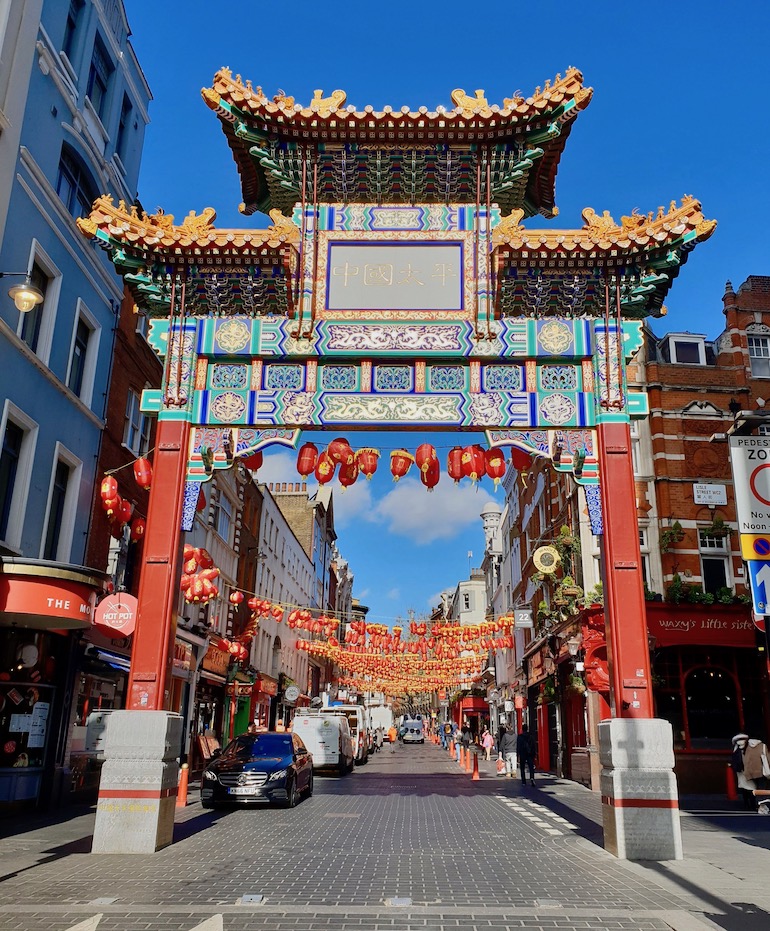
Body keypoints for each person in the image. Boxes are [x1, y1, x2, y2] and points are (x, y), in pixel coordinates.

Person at [731, 733, 770, 810]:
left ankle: (750, 804)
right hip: (760, 771)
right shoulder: (761, 745)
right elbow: (766, 758)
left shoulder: (741, 747)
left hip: (746, 772)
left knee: (748, 788)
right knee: (760, 788)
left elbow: (740, 760)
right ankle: (759, 805)